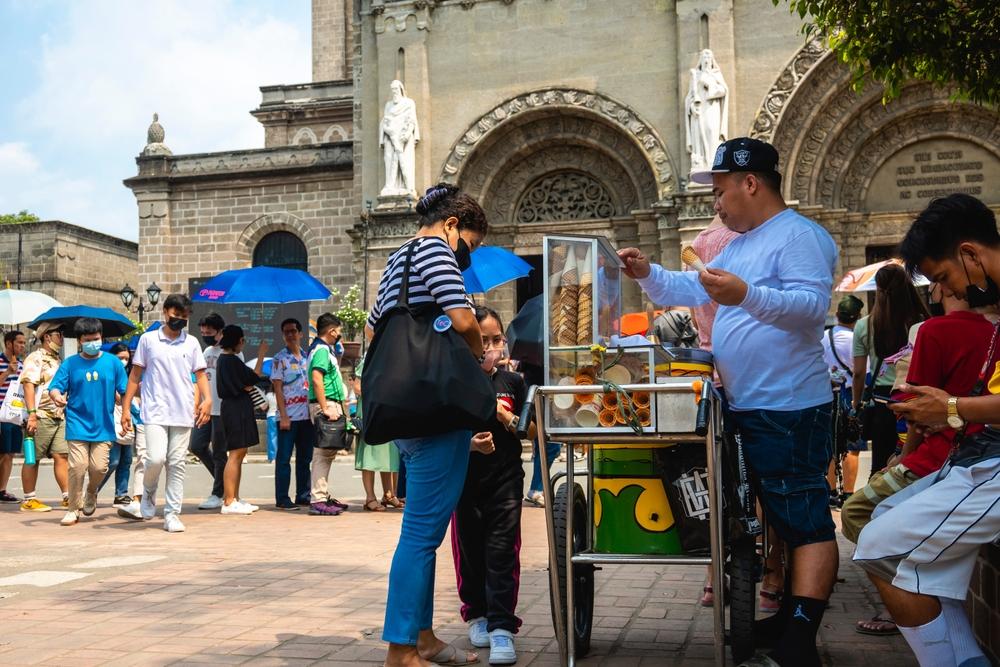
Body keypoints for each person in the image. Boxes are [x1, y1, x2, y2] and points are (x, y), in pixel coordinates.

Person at [617, 137, 838, 667]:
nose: (716, 204)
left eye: (719, 191)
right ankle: (789, 620)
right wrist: (646, 272)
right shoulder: (739, 242)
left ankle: (801, 643)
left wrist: (747, 296)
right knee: (782, 516)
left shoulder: (800, 236)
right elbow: (693, 289)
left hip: (789, 404)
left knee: (805, 517)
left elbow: (810, 308)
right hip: (750, 402)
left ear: (750, 183)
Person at [852, 194, 1000, 667]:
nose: (944, 290)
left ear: (970, 254)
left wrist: (952, 407)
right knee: (883, 535)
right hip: (975, 456)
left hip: (991, 463)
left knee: (878, 543)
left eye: (942, 278)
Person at [367, 183, 487, 667]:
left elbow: (375, 329)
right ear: (453, 224)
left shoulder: (396, 259)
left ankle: (423, 637)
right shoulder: (436, 250)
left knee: (423, 532)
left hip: (406, 411)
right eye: (471, 246)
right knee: (420, 536)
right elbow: (461, 319)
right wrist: (477, 351)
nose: (467, 257)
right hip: (438, 411)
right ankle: (401, 650)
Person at [451, 306, 531, 666]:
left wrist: (505, 416)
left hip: (506, 480)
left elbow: (531, 429)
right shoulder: (455, 380)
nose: (492, 346)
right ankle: (477, 615)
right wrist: (470, 444)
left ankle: (502, 628)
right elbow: (444, 432)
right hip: (465, 480)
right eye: (483, 340)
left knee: (502, 552)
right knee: (470, 550)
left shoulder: (513, 382)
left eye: (497, 339)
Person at [119, 293, 210, 533]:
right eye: (175, 315)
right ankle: (148, 493)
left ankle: (172, 513)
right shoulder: (148, 340)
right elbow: (135, 375)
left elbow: (200, 375)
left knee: (177, 463)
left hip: (182, 412)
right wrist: (126, 408)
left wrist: (207, 400)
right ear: (165, 312)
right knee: (156, 458)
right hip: (155, 411)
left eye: (183, 317)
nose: (178, 319)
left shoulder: (191, 343)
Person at [47, 318, 128, 526]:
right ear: (80, 341)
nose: (93, 342)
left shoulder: (113, 363)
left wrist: (126, 411)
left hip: (103, 424)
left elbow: (124, 391)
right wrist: (57, 396)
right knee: (78, 466)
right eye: (89, 339)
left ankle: (92, 492)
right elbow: (55, 387)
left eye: (97, 338)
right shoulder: (70, 364)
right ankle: (73, 509)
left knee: (99, 468)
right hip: (77, 422)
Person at [851, 263, 929, 474]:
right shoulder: (921, 322)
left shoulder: (864, 325)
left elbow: (858, 373)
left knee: (880, 466)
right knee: (914, 464)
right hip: (915, 397)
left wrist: (856, 403)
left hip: (882, 403)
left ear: (878, 289)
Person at [19, 321, 69, 512]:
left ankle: (67, 496)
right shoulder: (35, 358)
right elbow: (28, 385)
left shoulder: (57, 360)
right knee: (33, 457)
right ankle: (29, 499)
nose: (62, 337)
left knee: (62, 455)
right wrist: (32, 415)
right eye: (59, 333)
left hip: (58, 415)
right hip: (40, 415)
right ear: (47, 336)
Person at [216, 325, 265, 515]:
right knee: (235, 454)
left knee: (240, 452)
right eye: (242, 340)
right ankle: (228, 501)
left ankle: (234, 497)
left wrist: (246, 385)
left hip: (237, 408)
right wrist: (261, 354)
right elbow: (253, 378)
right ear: (237, 340)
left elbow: (247, 383)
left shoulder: (227, 360)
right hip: (235, 409)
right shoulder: (230, 360)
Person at [822, 295, 865, 507]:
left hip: (826, 394)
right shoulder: (855, 339)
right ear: (857, 317)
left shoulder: (824, 336)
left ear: (837, 315)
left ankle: (830, 492)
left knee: (829, 446)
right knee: (851, 445)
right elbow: (861, 373)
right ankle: (848, 494)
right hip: (849, 395)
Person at [307, 313, 350, 516]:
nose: (339, 335)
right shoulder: (322, 350)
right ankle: (318, 498)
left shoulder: (322, 349)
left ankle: (321, 494)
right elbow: (317, 379)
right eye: (338, 331)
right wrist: (325, 408)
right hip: (327, 404)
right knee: (322, 454)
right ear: (332, 331)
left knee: (326, 452)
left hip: (330, 403)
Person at [189, 313, 232, 511]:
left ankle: (218, 493)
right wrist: (197, 403)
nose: (205, 334)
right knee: (196, 445)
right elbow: (200, 378)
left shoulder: (230, 351)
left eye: (209, 331)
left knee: (220, 453)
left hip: (222, 409)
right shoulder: (206, 351)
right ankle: (223, 481)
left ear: (220, 331)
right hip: (205, 408)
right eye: (203, 331)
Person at [270, 317, 314, 510]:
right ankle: (282, 498)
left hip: (306, 417)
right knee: (284, 458)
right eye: (286, 332)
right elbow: (277, 388)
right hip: (289, 417)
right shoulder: (280, 359)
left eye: (293, 331)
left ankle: (303, 495)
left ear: (300, 333)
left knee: (305, 458)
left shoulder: (307, 357)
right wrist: (284, 415)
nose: (290, 335)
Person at [352, 362, 402, 512]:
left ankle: (389, 494)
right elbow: (357, 386)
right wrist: (377, 396)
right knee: (370, 454)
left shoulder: (390, 355)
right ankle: (370, 498)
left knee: (387, 453)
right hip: (371, 411)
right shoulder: (369, 357)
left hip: (385, 411)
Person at [99, 343, 136, 508]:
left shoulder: (130, 374)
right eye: (120, 357)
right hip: (111, 422)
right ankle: (92, 491)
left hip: (126, 420)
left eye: (126, 358)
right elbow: (120, 398)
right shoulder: (106, 373)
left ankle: (121, 494)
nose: (123, 361)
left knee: (126, 460)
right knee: (113, 460)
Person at [0, 330, 26, 503]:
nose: (23, 346)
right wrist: (7, 372)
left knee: (9, 454)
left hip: (15, 416)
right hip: (1, 415)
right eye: (19, 343)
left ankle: (2, 490)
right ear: (9, 343)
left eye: (24, 343)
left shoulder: (23, 365)